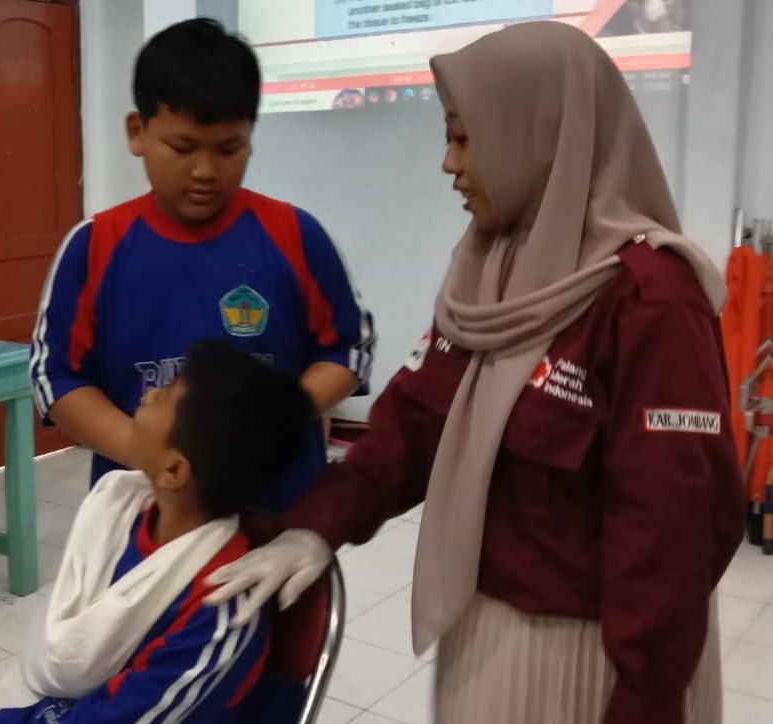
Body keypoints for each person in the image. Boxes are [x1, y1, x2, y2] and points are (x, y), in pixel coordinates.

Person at [206, 21, 745, 724]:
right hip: (487, 634)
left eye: (466, 139)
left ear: (538, 137)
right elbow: (412, 423)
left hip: (600, 663)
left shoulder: (650, 300)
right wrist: (316, 527)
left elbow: (673, 526)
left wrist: (646, 697)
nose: (448, 164)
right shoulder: (488, 269)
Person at [29, 18, 374, 513]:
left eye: (229, 148)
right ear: (137, 132)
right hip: (144, 515)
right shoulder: (94, 246)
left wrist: (278, 418)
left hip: (279, 510)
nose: (205, 171)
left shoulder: (296, 235)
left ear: (250, 137)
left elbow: (349, 349)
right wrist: (150, 454)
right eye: (183, 147)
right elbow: (57, 378)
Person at [0, 339, 315, 724]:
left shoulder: (220, 607)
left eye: (166, 394)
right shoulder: (125, 513)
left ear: (174, 470)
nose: (150, 394)